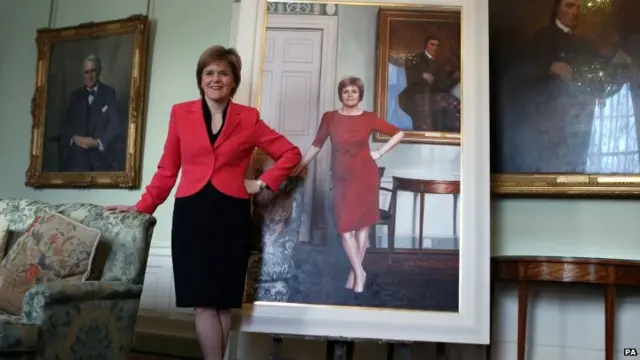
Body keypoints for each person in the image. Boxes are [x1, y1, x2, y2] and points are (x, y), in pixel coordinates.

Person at [106, 45, 302, 360]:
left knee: (222, 301)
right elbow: (167, 170)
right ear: (200, 79)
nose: (215, 78)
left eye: (223, 73)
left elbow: (290, 153)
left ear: (233, 81)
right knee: (203, 301)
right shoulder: (180, 113)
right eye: (209, 72)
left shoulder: (248, 118)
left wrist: (263, 182)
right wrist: (141, 206)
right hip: (192, 213)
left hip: (231, 213)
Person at [292, 76, 405, 293]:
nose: (350, 94)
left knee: (363, 226)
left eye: (354, 91)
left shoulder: (369, 118)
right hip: (342, 177)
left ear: (360, 95)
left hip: (366, 176)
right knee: (345, 229)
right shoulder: (330, 118)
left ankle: (355, 276)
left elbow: (399, 133)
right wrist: (299, 167)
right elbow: (317, 144)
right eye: (346, 91)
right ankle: (360, 271)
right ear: (340, 94)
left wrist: (379, 153)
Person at [59, 54, 122, 172]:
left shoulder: (109, 93)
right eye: (86, 72)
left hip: (101, 158)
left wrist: (98, 143)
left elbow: (115, 124)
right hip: (77, 159)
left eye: (93, 71)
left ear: (99, 71)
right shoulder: (75, 97)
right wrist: (75, 139)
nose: (89, 76)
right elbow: (65, 124)